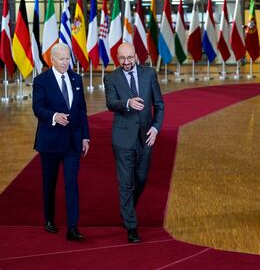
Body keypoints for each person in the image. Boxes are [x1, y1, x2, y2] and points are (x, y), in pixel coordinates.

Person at [104, 42, 164, 243]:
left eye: (130, 58)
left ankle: (127, 209)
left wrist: (155, 128)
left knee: (141, 179)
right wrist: (127, 103)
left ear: (136, 56)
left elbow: (159, 105)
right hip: (122, 139)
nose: (126, 62)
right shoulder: (111, 77)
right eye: (122, 59)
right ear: (117, 59)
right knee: (125, 183)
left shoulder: (149, 74)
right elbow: (111, 103)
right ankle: (131, 225)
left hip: (146, 137)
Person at [32, 43, 90, 241]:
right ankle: (49, 218)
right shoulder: (41, 81)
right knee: (50, 182)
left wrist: (85, 136)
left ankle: (72, 227)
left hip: (73, 142)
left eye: (68, 58)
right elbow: (37, 108)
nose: (66, 62)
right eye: (61, 59)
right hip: (50, 141)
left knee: (71, 183)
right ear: (52, 60)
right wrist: (54, 116)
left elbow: (81, 109)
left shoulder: (76, 78)